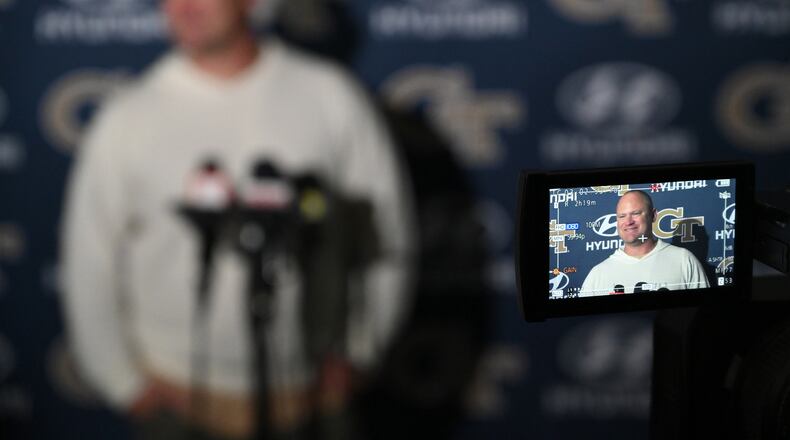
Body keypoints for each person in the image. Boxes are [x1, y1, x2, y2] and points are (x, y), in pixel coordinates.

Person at [59, 0, 415, 438]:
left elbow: (386, 235)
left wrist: (362, 351)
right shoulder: (127, 119)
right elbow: (89, 262)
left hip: (310, 398)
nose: (184, 7)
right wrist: (125, 386)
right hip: (176, 401)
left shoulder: (330, 97)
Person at [579, 190, 709, 297]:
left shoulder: (684, 260)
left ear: (653, 215)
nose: (628, 222)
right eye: (622, 216)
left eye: (635, 213)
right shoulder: (598, 274)